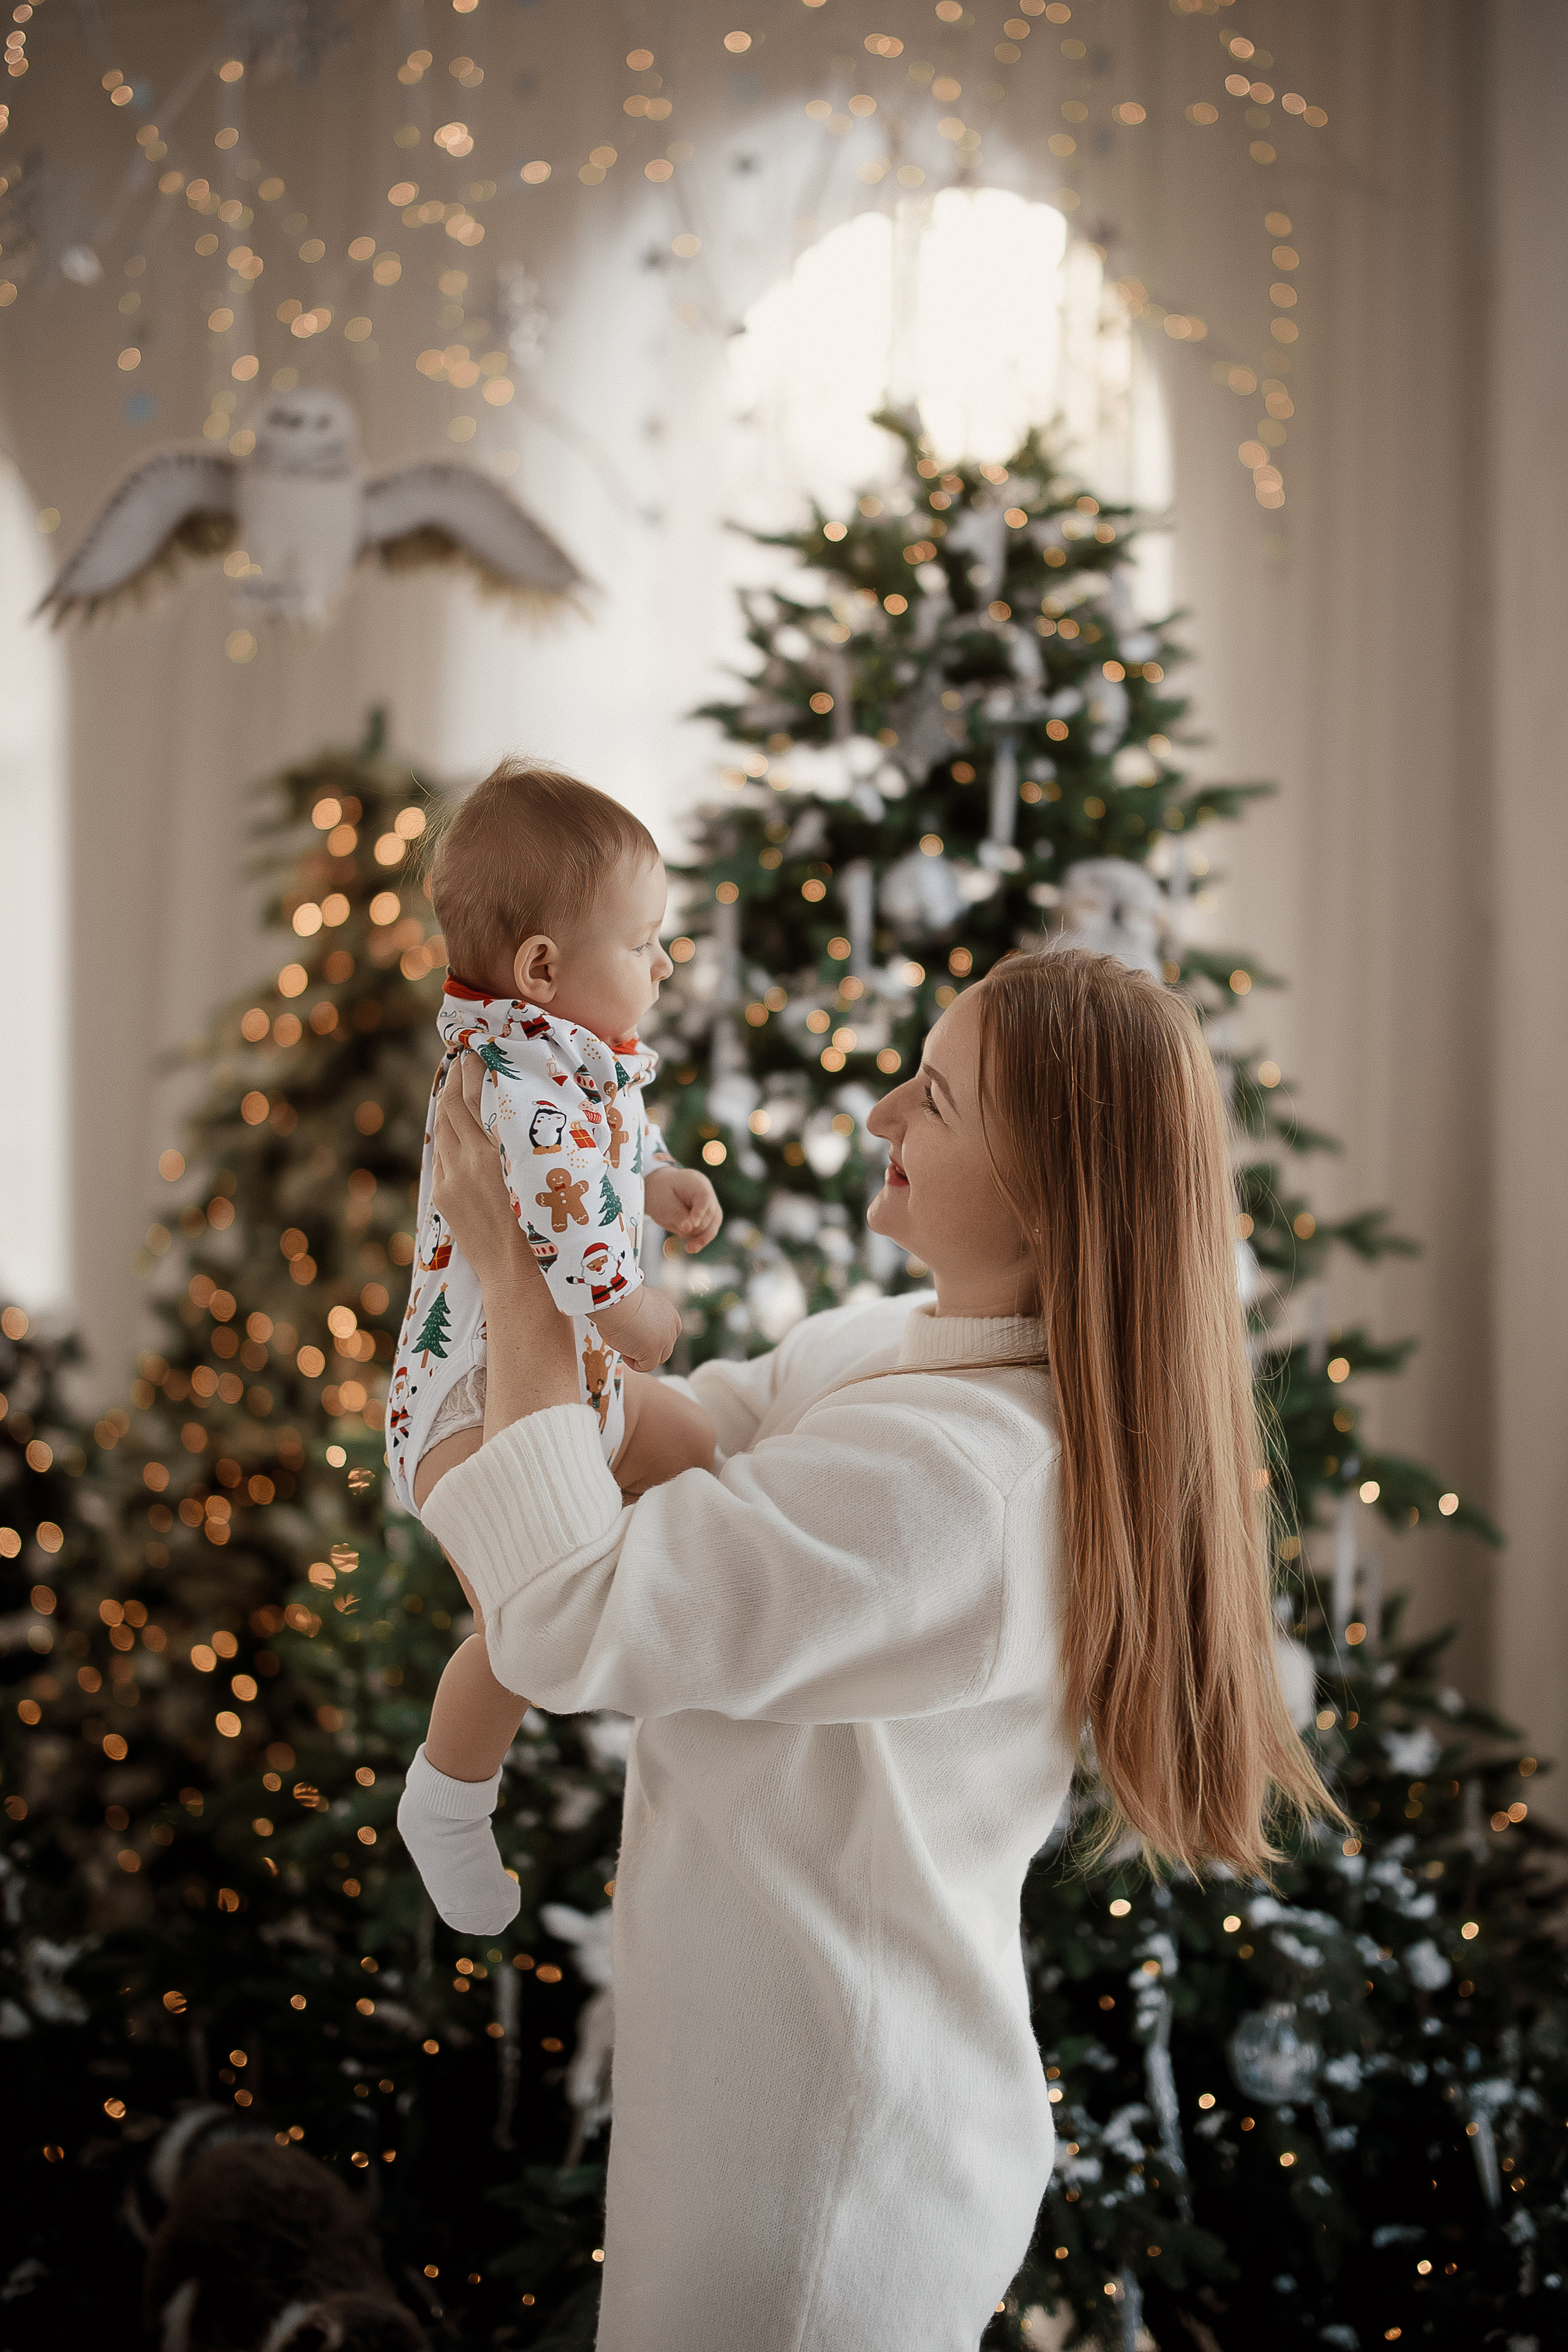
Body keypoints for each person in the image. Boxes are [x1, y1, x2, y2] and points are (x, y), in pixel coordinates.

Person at [415, 944, 1343, 2352]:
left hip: (820, 2195)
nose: (877, 1117)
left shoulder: (961, 1487)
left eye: (935, 1099)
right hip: (764, 2113)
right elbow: (649, 1448)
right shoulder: (888, 1349)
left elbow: (560, 1617)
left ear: (1048, 1192)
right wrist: (564, 1210)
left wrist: (521, 1269)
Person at [389, 761, 722, 1936]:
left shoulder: (558, 1055)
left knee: (694, 1444)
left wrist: (661, 1176)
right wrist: (648, 1324)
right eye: (647, 943)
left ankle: (676, 1629)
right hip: (472, 1410)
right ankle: (448, 1795)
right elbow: (579, 1247)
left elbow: (607, 1150)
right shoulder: (515, 1087)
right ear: (542, 967)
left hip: (564, 1389)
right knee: (524, 1633)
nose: (665, 965)